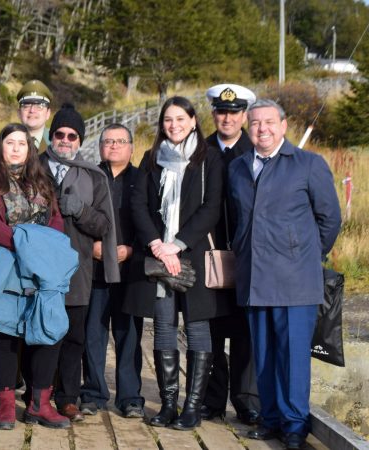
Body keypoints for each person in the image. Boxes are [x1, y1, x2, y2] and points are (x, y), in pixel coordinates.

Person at [230, 99, 341, 449]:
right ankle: (271, 418)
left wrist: (305, 255)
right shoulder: (238, 168)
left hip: (295, 280)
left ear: (284, 125)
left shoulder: (308, 164)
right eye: (255, 124)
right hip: (254, 278)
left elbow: (330, 220)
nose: (262, 129)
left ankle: (294, 425)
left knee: (292, 358)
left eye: (268, 122)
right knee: (262, 354)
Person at [124, 96, 228, 431]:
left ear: (194, 120)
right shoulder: (151, 158)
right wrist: (158, 244)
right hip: (158, 257)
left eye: (181, 119)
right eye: (168, 120)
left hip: (193, 253)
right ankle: (169, 405)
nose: (174, 125)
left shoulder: (210, 158)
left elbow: (212, 207)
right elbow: (139, 204)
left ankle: (192, 407)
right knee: (164, 326)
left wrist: (178, 244)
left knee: (198, 327)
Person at [0, 123, 68, 430]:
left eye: (21, 144)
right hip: (5, 262)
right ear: (0, 146)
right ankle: (7, 405)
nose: (15, 148)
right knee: (6, 334)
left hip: (42, 266)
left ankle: (40, 403)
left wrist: (41, 249)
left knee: (48, 330)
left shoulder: (41, 181)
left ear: (30, 149)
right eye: (10, 142)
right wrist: (25, 244)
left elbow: (56, 219)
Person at [40, 104, 117, 422]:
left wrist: (80, 210)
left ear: (80, 139)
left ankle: (67, 397)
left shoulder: (92, 175)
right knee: (40, 333)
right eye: (60, 133)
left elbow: (103, 225)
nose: (65, 139)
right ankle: (37, 392)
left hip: (76, 268)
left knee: (73, 336)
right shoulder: (33, 166)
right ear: (51, 135)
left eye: (72, 135)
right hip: (38, 266)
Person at [199, 84, 261, 425]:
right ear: (213, 114)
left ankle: (246, 399)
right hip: (207, 253)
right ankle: (211, 399)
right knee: (208, 330)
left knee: (244, 333)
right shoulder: (199, 151)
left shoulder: (257, 152)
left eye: (234, 112)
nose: (227, 118)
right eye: (222, 112)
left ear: (244, 116)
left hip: (248, 256)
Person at [79, 123, 145, 418]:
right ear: (101, 147)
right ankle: (93, 392)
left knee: (128, 333)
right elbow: (77, 217)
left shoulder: (144, 179)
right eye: (108, 141)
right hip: (95, 267)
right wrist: (89, 245)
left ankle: (130, 396)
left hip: (131, 268)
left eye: (120, 141)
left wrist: (131, 248)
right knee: (93, 331)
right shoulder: (90, 176)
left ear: (131, 147)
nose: (114, 146)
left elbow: (151, 221)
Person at [17, 80, 53, 153]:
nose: (32, 110)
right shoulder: (2, 143)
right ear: (19, 113)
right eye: (26, 106)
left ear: (48, 113)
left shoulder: (56, 144)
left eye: (39, 106)